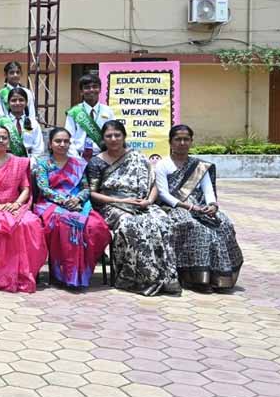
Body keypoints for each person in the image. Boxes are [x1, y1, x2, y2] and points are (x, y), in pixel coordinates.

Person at [86, 120, 179, 296]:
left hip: (141, 203)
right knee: (131, 225)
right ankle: (136, 278)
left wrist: (149, 201)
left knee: (162, 221)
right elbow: (92, 193)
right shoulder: (96, 162)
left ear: (124, 136)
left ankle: (166, 278)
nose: (113, 139)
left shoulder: (138, 157)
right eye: (109, 136)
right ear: (103, 139)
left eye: (117, 135)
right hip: (111, 206)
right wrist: (120, 200)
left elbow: (155, 184)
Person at [155, 124, 243, 292]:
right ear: (170, 142)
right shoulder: (163, 165)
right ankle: (193, 278)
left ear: (191, 141)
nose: (182, 143)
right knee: (195, 227)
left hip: (200, 206)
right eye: (178, 139)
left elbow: (208, 190)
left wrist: (212, 205)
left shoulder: (199, 166)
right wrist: (188, 206)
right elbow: (163, 194)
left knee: (223, 224)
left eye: (186, 139)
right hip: (174, 207)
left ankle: (219, 277)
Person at [0, 125, 46, 293]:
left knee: (30, 223)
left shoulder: (18, 162)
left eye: (4, 137)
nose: (1, 140)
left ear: (9, 141)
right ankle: (0, 274)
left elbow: (26, 188)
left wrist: (17, 204)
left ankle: (24, 273)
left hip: (13, 205)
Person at [33, 127, 112, 290]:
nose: (62, 144)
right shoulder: (43, 164)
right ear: (50, 144)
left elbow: (86, 188)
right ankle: (63, 274)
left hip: (78, 203)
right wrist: (64, 201)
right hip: (50, 204)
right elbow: (44, 189)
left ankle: (82, 273)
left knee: (96, 226)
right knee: (65, 223)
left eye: (66, 141)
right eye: (58, 141)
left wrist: (77, 199)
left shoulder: (79, 164)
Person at [66, 73, 116, 160]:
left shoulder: (108, 111)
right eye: (87, 87)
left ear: (100, 90)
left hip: (103, 157)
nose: (91, 90)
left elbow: (113, 134)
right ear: (81, 92)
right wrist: (77, 159)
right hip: (79, 157)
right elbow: (69, 138)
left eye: (95, 87)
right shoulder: (74, 112)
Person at [0, 87, 44, 158]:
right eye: (13, 100)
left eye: (21, 100)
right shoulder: (1, 123)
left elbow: (38, 148)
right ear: (8, 103)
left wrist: (30, 162)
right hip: (6, 160)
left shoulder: (33, 123)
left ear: (26, 102)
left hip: (29, 161)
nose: (17, 103)